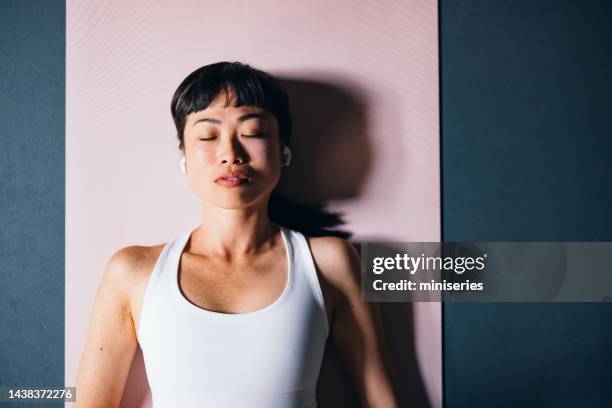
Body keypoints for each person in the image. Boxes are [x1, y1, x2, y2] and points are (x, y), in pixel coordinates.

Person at [75, 62, 397, 407]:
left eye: (253, 132)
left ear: (283, 150)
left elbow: (380, 399)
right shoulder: (132, 271)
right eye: (207, 136)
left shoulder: (329, 262)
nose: (230, 154)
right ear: (183, 155)